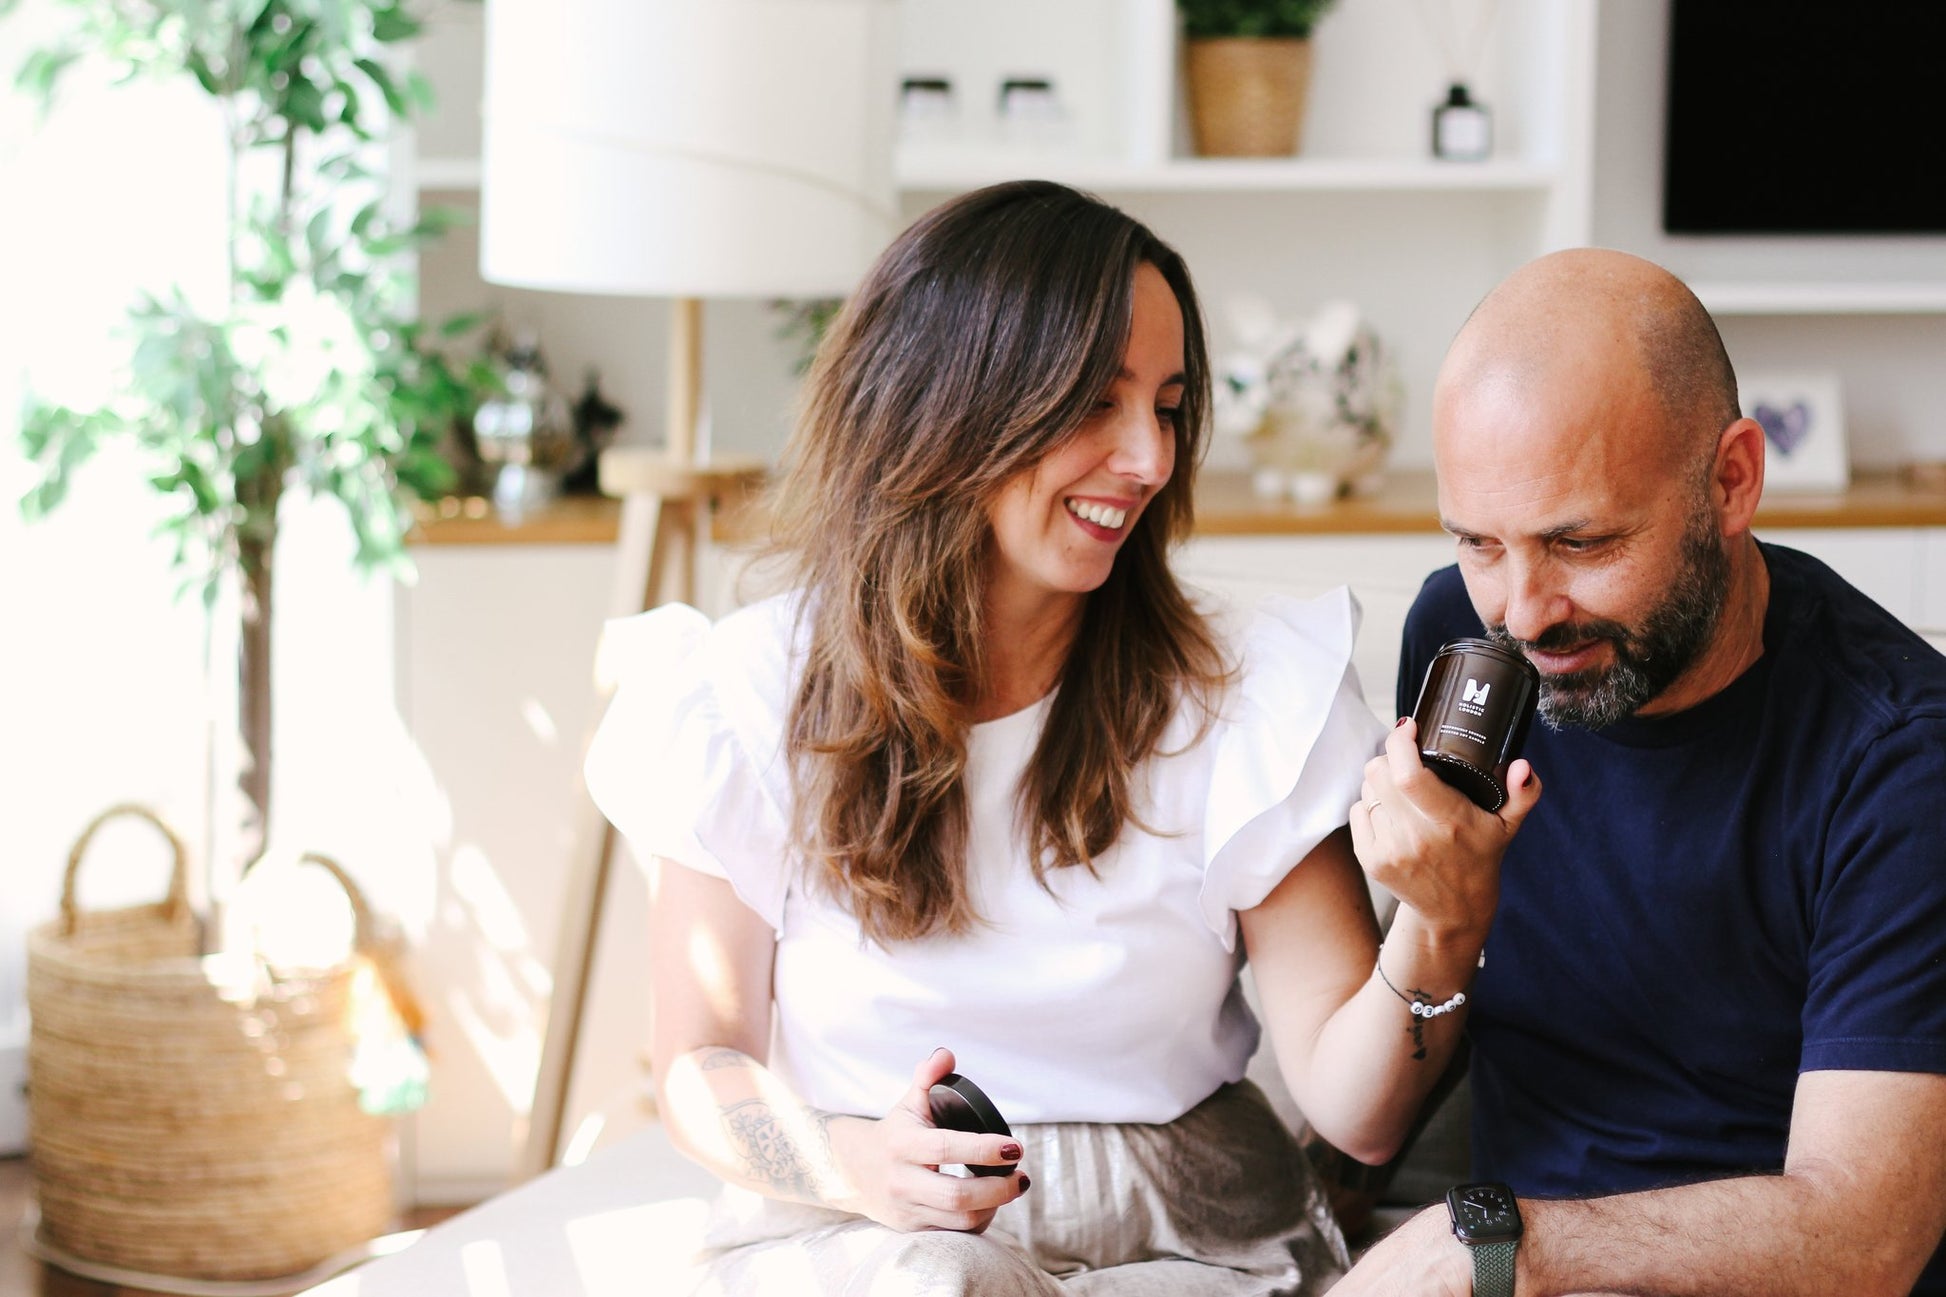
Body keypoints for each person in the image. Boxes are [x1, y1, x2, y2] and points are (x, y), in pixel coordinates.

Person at [583, 180, 1536, 1295]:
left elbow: (1356, 1114)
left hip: (1179, 1237)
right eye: (1095, 401)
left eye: (1167, 407)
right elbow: (700, 1064)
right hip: (866, 1227)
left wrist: (1444, 918)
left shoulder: (1242, 692)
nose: (1149, 459)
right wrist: (851, 1162)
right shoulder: (748, 695)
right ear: (945, 401)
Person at [1334, 248, 1946, 1295]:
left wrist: (1491, 1249)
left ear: (1731, 480)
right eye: (1478, 542)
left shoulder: (1898, 757)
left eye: (1580, 543)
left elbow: (1862, 1237)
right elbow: (1385, 1097)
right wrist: (1440, 923)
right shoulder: (1464, 644)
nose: (1524, 614)